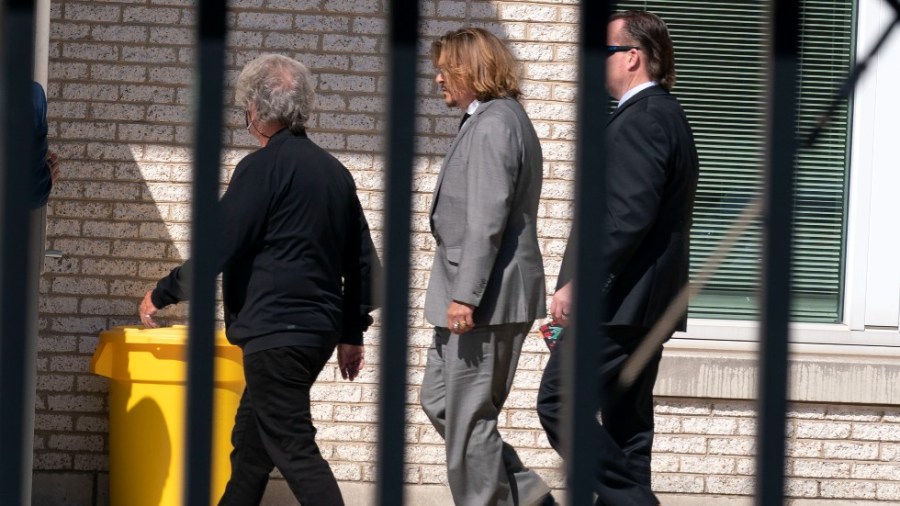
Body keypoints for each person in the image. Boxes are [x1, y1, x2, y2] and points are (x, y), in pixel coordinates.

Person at [138, 53, 379, 506]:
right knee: (251, 448)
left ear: (256, 110)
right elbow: (362, 265)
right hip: (315, 335)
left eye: (246, 108)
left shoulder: (261, 168)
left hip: (276, 333)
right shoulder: (335, 174)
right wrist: (351, 333)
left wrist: (163, 292)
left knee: (292, 447)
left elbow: (220, 245)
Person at [536, 10, 699, 506]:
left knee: (558, 403)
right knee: (628, 425)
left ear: (632, 57)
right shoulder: (660, 114)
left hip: (620, 305)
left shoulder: (645, 118)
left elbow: (627, 216)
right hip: (643, 305)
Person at [420, 28, 554, 506]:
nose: (437, 79)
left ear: (473, 71)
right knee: (440, 402)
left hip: (484, 300)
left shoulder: (497, 123)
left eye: (445, 69)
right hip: (472, 294)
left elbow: (486, 220)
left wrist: (465, 295)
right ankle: (529, 495)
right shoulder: (490, 118)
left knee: (469, 418)